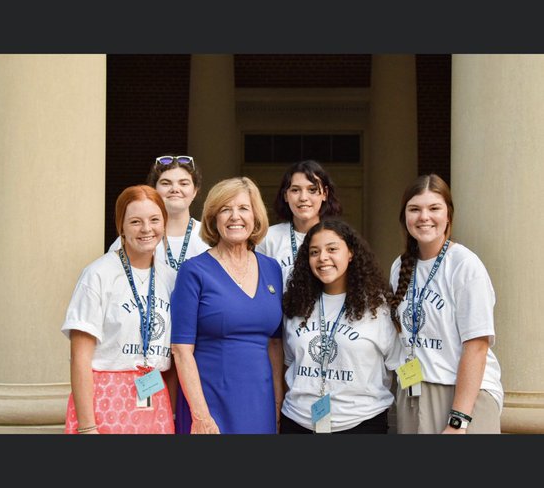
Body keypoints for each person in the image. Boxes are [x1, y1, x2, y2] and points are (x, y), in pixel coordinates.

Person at [387, 174, 503, 434]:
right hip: (415, 391)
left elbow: (477, 346)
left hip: (462, 397)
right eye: (414, 209)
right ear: (404, 217)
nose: (424, 217)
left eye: (434, 208)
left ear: (448, 215)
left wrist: (458, 420)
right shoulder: (399, 266)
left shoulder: (464, 265)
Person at [170, 177, 284, 434]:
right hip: (210, 402)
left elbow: (275, 344)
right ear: (213, 218)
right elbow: (181, 350)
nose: (235, 216)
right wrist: (200, 416)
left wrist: (278, 401)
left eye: (243, 208)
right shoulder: (194, 271)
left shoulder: (272, 269)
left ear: (255, 216)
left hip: (261, 402)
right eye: (225, 209)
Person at [62, 185, 177, 434]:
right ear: (121, 227)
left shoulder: (171, 278)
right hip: (104, 399)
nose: (146, 229)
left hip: (154, 397)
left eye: (154, 220)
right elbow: (80, 357)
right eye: (135, 221)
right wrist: (87, 426)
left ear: (164, 223)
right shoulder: (98, 275)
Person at [280, 217, 396, 434]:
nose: (323, 257)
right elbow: (288, 363)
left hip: (361, 423)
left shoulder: (378, 308)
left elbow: (397, 363)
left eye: (332, 249)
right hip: (298, 421)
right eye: (314, 252)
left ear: (350, 253)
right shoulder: (296, 305)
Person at [109, 154, 208, 275]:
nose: (175, 189)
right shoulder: (131, 239)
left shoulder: (211, 237)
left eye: (183, 183)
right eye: (166, 183)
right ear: (154, 191)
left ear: (195, 191)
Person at [256, 159, 343, 289]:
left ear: (325, 194)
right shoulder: (268, 238)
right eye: (295, 190)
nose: (303, 197)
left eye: (312, 190)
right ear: (286, 195)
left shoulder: (339, 238)